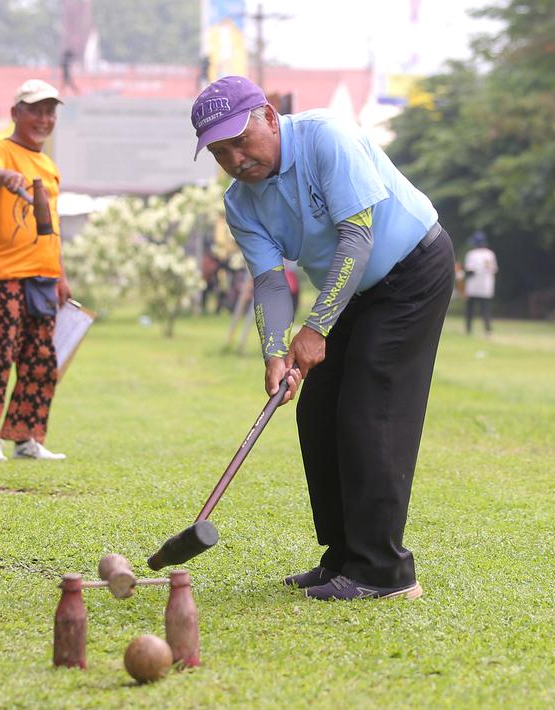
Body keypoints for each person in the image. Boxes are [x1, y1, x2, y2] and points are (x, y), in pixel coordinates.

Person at [191, 76, 454, 600]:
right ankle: (343, 558)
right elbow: (269, 282)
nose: (237, 158)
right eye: (221, 152)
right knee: (318, 414)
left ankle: (385, 572)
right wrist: (273, 350)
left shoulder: (325, 137)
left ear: (268, 115)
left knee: (369, 411)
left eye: (242, 141)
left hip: (411, 271)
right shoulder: (241, 203)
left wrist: (315, 330)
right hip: (349, 290)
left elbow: (357, 237)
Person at [0, 79, 72, 461]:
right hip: (2, 273)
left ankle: (27, 437)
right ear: (16, 114)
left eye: (50, 111)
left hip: (42, 275)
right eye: (35, 110)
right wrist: (5, 177)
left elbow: (52, 225)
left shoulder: (49, 166)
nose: (44, 119)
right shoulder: (2, 151)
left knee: (41, 358)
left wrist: (60, 274)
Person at [461, 230, 498, 335]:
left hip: (473, 286)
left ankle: (468, 330)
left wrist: (462, 274)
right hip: (486, 286)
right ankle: (488, 330)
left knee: (470, 309)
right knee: (485, 309)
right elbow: (493, 269)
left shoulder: (472, 255)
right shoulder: (490, 254)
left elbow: (470, 271)